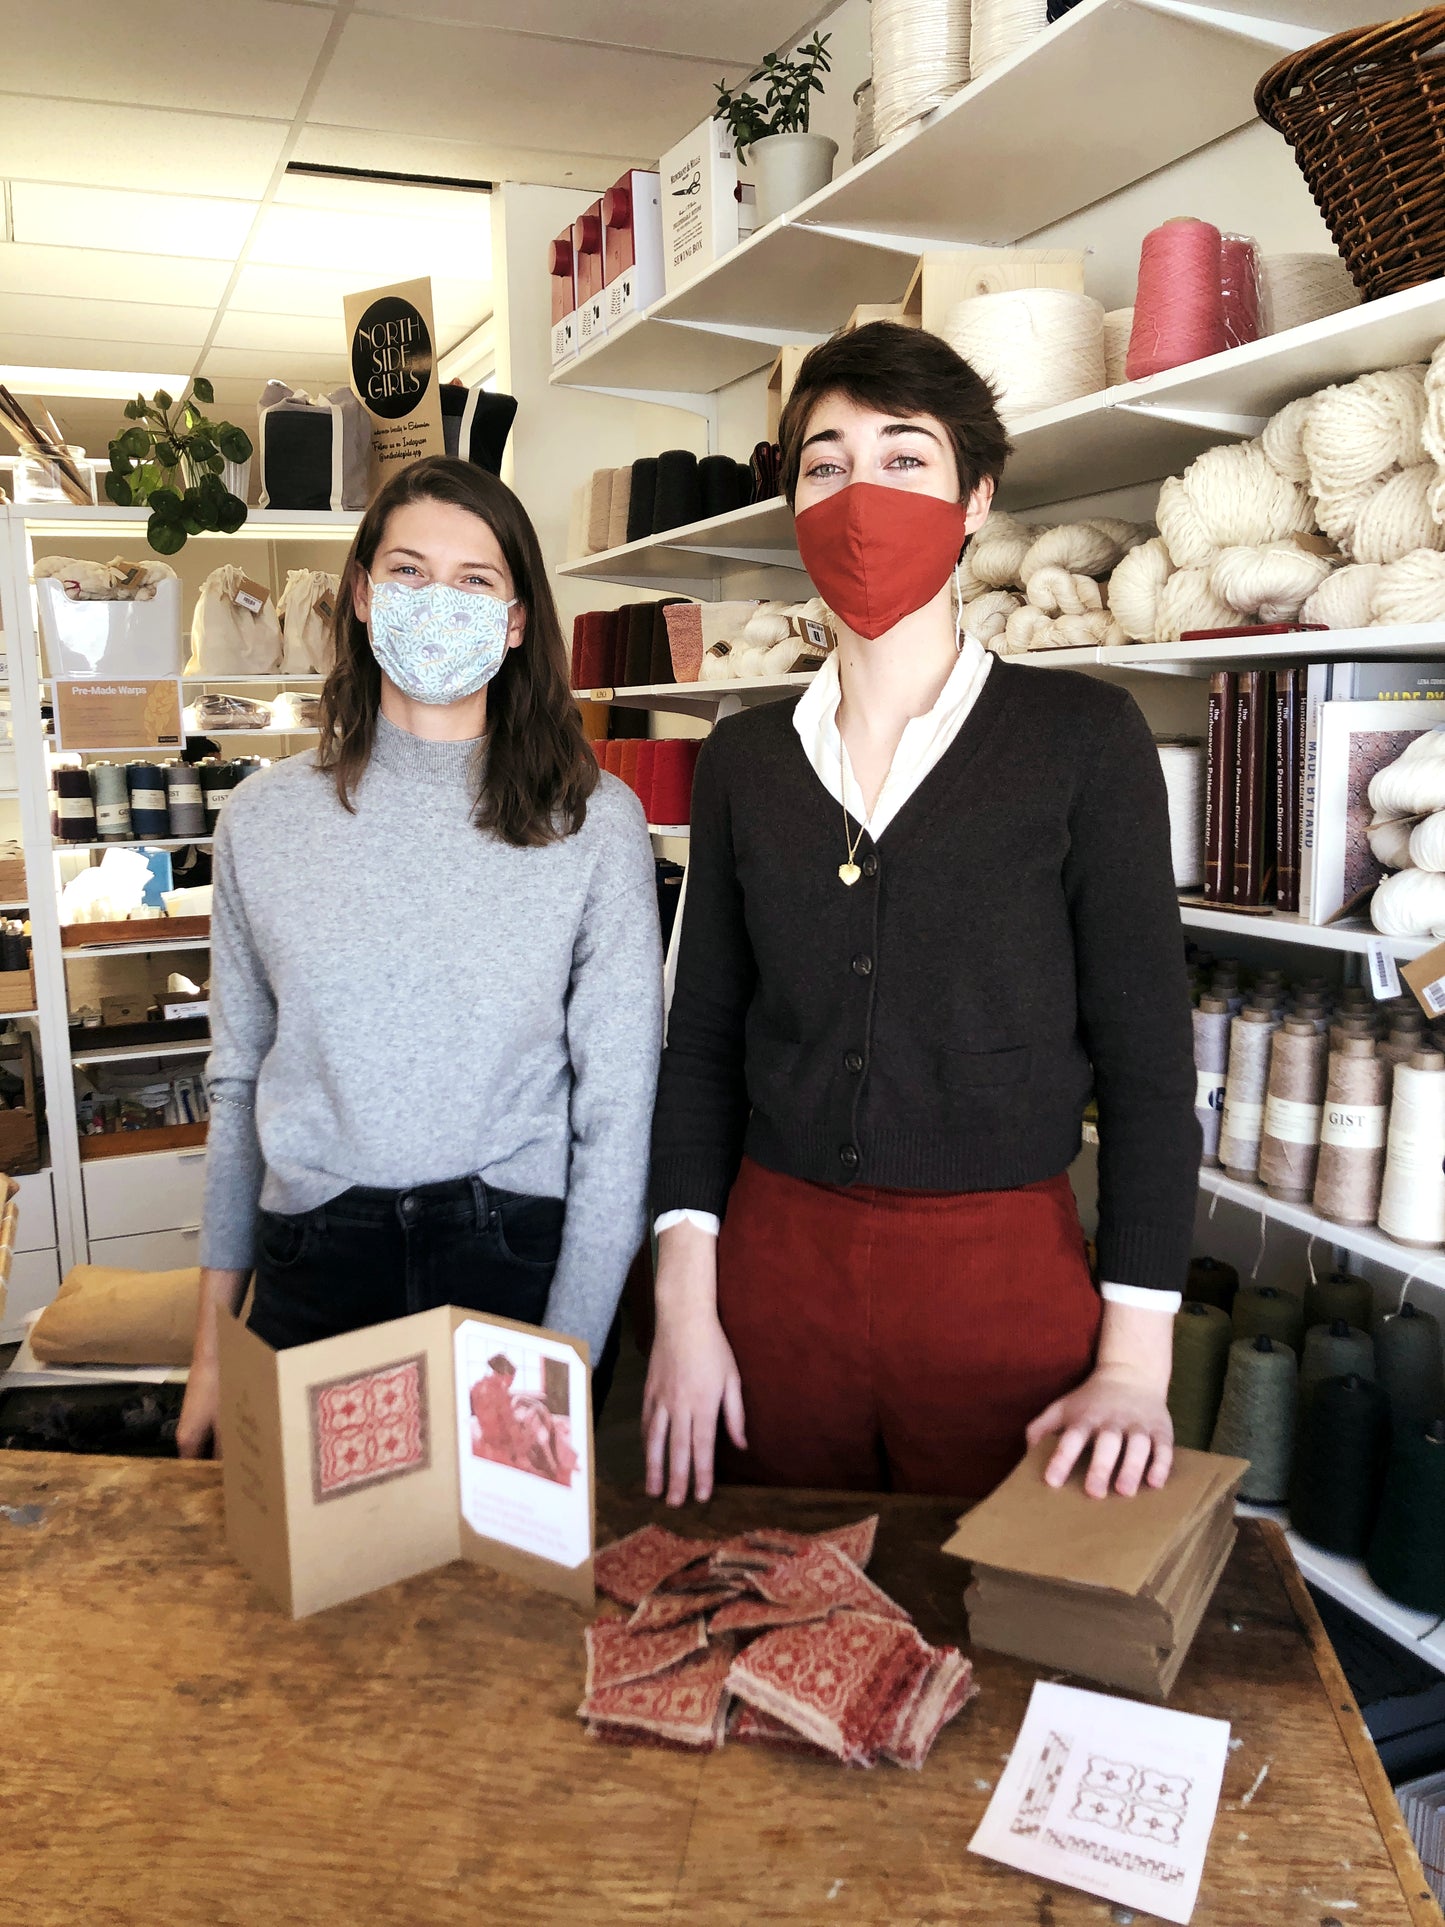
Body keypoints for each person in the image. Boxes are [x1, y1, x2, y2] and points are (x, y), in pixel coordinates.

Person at [642, 322, 1198, 1510]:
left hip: (998, 1289)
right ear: (793, 501)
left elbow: (1149, 1066)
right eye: (825, 462)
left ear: (974, 498)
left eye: (903, 459)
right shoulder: (742, 760)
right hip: (771, 1277)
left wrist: (1133, 1365)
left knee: (993, 1636)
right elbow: (699, 1049)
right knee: (765, 1606)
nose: (859, 495)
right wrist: (682, 1313)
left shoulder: (1080, 743)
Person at [177, 456, 662, 1458]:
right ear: (360, 595)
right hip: (316, 1260)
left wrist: (566, 1357)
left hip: (511, 1259)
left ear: (518, 617)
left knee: (497, 1600)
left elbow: (616, 1118)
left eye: (475, 580)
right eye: (406, 572)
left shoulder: (593, 824)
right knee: (307, 1599)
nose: (436, 601)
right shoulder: (262, 821)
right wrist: (213, 1346)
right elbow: (235, 1085)